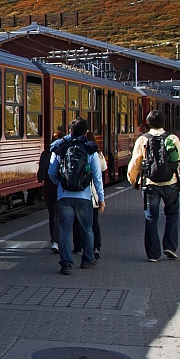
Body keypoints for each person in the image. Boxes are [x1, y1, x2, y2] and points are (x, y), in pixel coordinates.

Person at [128, 109, 180, 262]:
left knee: (151, 218)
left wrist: (133, 181)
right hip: (171, 183)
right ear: (164, 122)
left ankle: (153, 254)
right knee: (172, 215)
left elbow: (135, 163)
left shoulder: (143, 139)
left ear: (148, 123)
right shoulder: (172, 138)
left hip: (150, 184)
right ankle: (170, 247)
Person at [49, 118, 105, 275]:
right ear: (86, 132)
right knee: (87, 229)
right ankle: (87, 260)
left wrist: (60, 184)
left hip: (64, 196)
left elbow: (51, 172)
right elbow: (97, 176)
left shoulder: (60, 146)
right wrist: (101, 198)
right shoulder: (89, 148)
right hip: (84, 196)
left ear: (70, 131)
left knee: (64, 230)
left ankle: (66, 264)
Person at [72, 130, 107, 259]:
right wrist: (101, 198)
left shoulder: (73, 150)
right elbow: (103, 169)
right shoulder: (96, 152)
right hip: (91, 193)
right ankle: (96, 247)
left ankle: (78, 246)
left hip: (75, 192)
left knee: (77, 222)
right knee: (93, 222)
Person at [38, 131, 65, 253]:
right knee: (60, 214)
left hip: (48, 187)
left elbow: (40, 175)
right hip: (60, 186)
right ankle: (59, 240)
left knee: (52, 214)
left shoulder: (45, 153)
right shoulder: (63, 153)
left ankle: (54, 240)